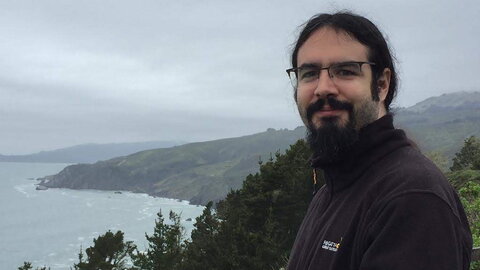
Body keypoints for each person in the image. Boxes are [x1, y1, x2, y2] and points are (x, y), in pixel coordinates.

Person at [286, 12, 472, 270]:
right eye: (309, 73)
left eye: (345, 71)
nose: (323, 87)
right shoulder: (332, 189)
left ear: (382, 84)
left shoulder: (412, 198)